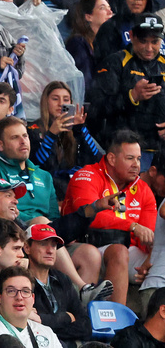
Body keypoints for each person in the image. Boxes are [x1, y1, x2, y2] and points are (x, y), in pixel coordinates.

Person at [61, 131, 155, 306]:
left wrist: (149, 263)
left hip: (126, 254)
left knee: (157, 259)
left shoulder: (143, 189)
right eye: (130, 158)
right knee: (119, 251)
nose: (137, 165)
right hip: (84, 245)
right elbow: (89, 216)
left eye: (139, 159)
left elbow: (147, 235)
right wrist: (132, 226)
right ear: (111, 159)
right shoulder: (87, 175)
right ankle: (114, 321)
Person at [0, 265, 62, 348]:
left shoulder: (46, 332)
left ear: (33, 298)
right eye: (11, 291)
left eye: (25, 291)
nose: (19, 297)